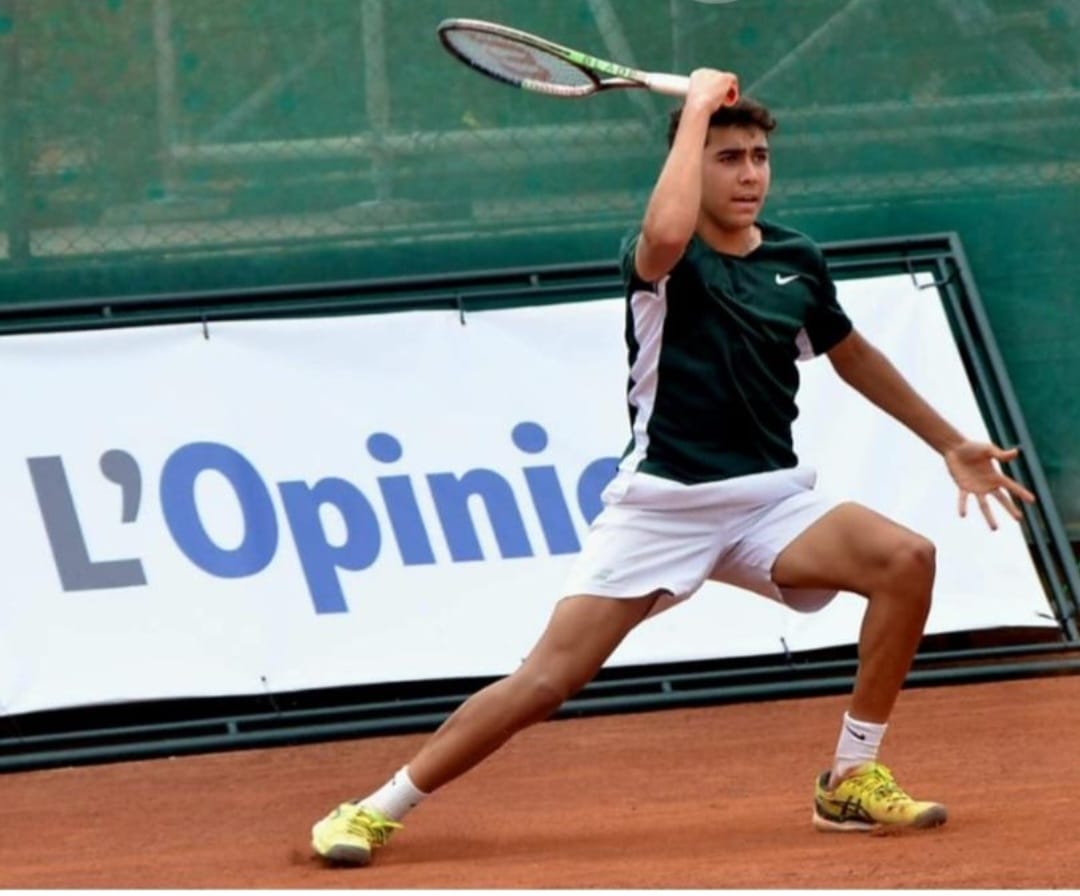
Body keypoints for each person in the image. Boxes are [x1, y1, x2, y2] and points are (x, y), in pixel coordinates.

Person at [310, 69, 1035, 865]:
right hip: (663, 505)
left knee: (906, 559)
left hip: (767, 502)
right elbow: (661, 232)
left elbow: (851, 353)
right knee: (546, 681)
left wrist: (948, 442)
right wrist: (694, 111)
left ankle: (850, 777)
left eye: (759, 157)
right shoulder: (665, 258)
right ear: (692, 163)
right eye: (728, 158)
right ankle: (373, 808)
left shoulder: (795, 259)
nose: (749, 174)